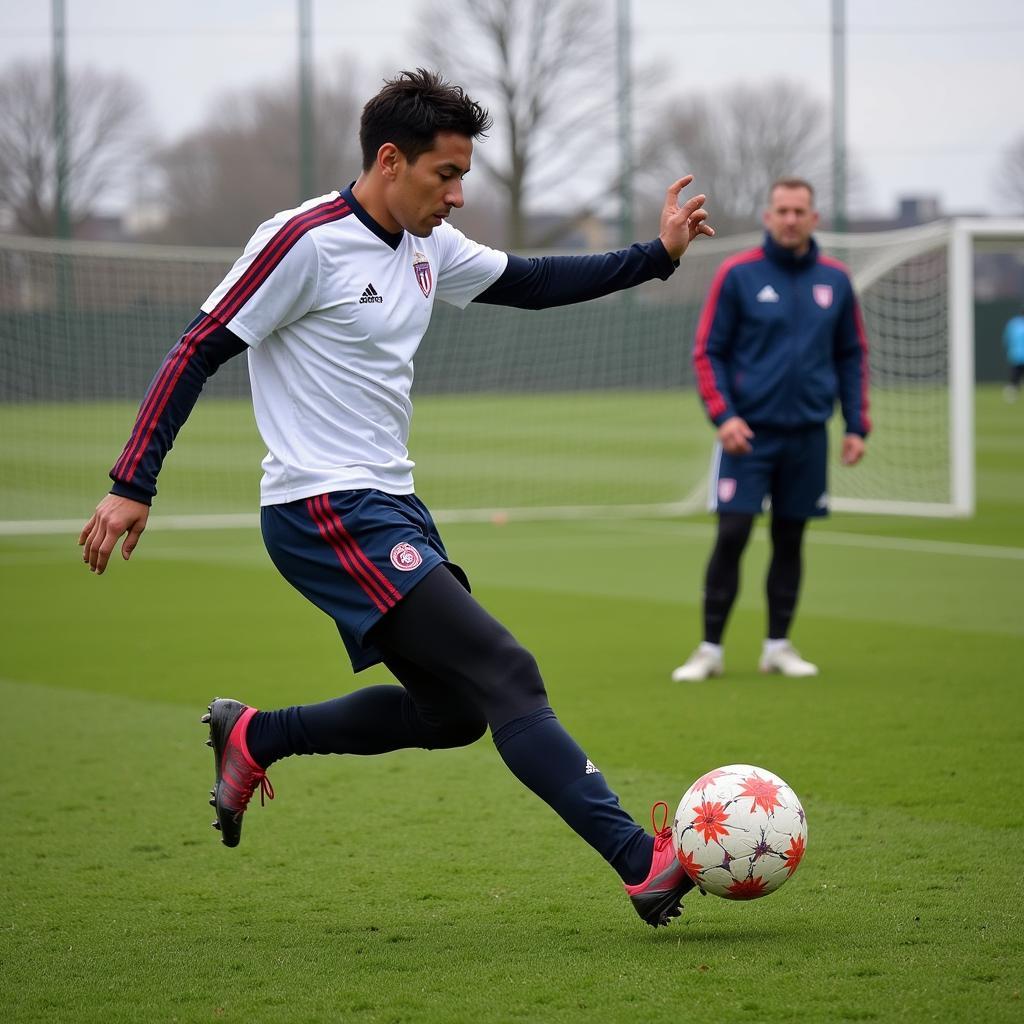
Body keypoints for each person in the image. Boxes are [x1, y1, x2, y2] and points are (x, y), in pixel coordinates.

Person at [79, 69, 715, 928]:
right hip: (322, 508)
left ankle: (256, 736)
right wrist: (132, 483)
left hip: (389, 506)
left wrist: (657, 255)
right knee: (508, 673)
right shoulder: (301, 240)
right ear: (389, 159)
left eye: (462, 176)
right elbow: (197, 348)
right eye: (444, 175)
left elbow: (531, 280)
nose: (457, 195)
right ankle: (643, 865)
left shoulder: (427, 247)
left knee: (454, 713)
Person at [671, 177, 870, 683]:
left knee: (790, 538)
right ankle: (709, 649)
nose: (790, 219)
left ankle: (777, 646)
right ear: (768, 216)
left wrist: (856, 424)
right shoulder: (737, 275)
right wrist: (725, 416)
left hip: (807, 435)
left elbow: (852, 355)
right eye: (782, 210)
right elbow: (707, 351)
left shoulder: (836, 280)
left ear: (814, 218)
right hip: (747, 435)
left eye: (799, 211)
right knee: (733, 533)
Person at [1003, 305, 1024, 402]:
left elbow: (1007, 338)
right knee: (1015, 377)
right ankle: (1011, 395)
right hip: (1018, 356)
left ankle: (1011, 395)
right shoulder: (1014, 323)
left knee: (1015, 377)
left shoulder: (1014, 323)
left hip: (1015, 355)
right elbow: (1007, 338)